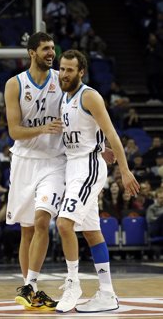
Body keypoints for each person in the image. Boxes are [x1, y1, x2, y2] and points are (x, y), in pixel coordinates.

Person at [55, 49, 140, 313]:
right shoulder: (64, 98)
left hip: (88, 168)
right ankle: (107, 293)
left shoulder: (89, 96)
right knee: (92, 233)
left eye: (70, 69)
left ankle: (73, 282)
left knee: (64, 223)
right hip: (75, 167)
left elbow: (111, 132)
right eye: (62, 68)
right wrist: (100, 146)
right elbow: (87, 132)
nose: (64, 73)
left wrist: (124, 171)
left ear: (81, 72)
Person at [4, 31, 65, 311]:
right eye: (45, 49)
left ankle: (30, 284)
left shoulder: (62, 81)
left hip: (54, 161)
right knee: (26, 230)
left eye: (52, 48)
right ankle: (33, 289)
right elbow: (14, 131)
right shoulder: (14, 84)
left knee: (42, 222)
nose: (51, 53)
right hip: (24, 161)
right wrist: (43, 128)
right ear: (31, 52)